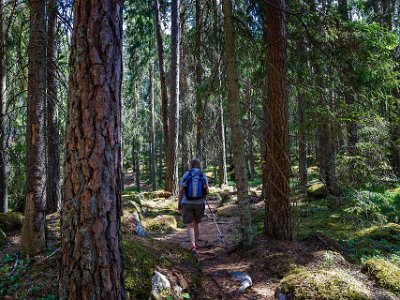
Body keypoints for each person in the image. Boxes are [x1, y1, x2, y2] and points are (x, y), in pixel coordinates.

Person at [178, 158, 209, 253]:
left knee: (189, 225)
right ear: (200, 165)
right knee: (197, 222)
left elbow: (181, 191)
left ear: (190, 165)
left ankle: (193, 245)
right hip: (200, 203)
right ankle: (196, 241)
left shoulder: (186, 175)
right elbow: (207, 191)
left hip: (186, 203)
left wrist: (179, 203)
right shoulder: (202, 175)